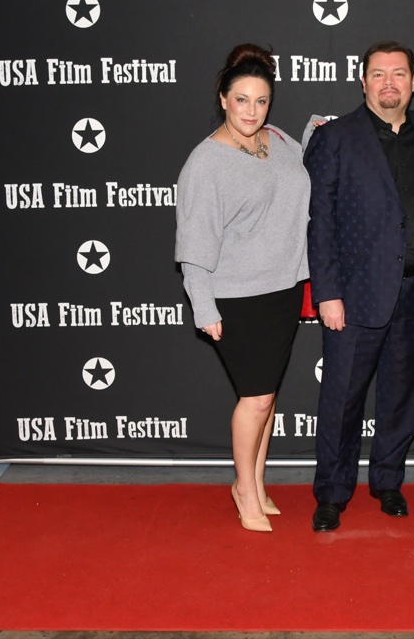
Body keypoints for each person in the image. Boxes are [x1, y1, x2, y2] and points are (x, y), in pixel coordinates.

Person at [303, 40, 414, 532]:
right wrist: (328, 292)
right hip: (354, 294)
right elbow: (319, 222)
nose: (389, 82)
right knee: (341, 397)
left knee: (402, 394)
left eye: (399, 73)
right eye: (378, 74)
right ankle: (332, 492)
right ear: (362, 82)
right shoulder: (335, 136)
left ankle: (388, 482)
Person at [174, 43, 310, 533]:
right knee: (254, 399)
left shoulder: (277, 139)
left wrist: (318, 131)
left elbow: (303, 170)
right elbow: (193, 243)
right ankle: (244, 492)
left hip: (284, 288)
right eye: (242, 100)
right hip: (235, 297)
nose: (252, 110)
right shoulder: (206, 162)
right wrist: (203, 305)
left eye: (261, 101)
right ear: (223, 99)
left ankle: (255, 481)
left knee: (267, 397)